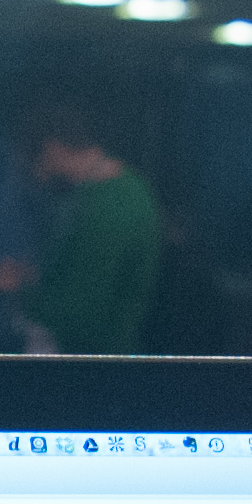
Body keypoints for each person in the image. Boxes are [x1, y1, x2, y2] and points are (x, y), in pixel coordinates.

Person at [20, 115, 162, 355]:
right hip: (95, 351)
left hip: (96, 357)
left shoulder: (113, 205)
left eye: (37, 159)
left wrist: (24, 297)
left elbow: (84, 305)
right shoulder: (116, 189)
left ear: (53, 149)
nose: (37, 172)